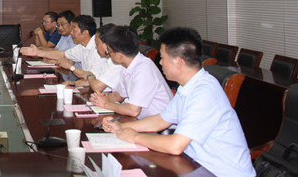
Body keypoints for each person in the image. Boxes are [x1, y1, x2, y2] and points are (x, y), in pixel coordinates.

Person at [103, 27, 255, 177]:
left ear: (178, 62)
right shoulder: (187, 87)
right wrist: (121, 126)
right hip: (193, 165)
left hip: (219, 172)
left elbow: (175, 146)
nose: (160, 63)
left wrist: (135, 137)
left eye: (163, 58)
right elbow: (160, 120)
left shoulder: (204, 92)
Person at [91, 25, 172, 118]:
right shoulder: (127, 66)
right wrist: (102, 98)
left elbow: (134, 110)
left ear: (120, 55)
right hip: (141, 120)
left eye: (109, 51)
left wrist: (106, 104)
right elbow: (118, 96)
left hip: (160, 124)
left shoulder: (143, 69)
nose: (108, 54)